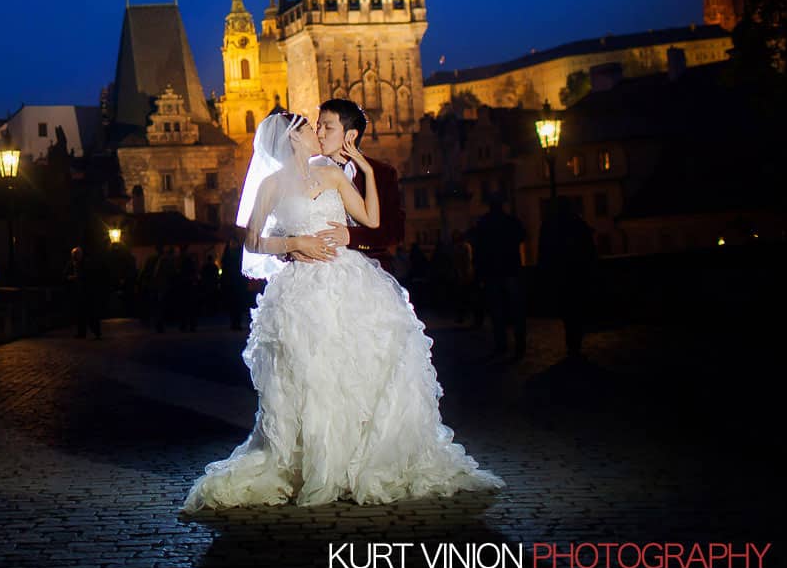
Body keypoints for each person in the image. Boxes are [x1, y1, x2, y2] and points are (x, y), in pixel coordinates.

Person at [181, 112, 502, 511]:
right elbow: (252, 242)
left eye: (319, 128)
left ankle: (360, 459)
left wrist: (364, 168)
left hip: (348, 281)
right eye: (308, 130)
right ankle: (317, 461)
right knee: (313, 376)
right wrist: (293, 242)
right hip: (302, 288)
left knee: (357, 370)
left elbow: (370, 218)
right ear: (292, 139)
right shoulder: (271, 185)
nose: (317, 134)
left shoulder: (332, 174)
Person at [313, 99, 406, 265]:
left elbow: (394, 232)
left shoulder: (382, 173)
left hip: (370, 271)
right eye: (318, 126)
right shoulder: (308, 170)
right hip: (319, 269)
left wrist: (351, 236)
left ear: (351, 135)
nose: (319, 134)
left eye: (328, 127)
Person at [538, 197, 597, 357]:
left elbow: (543, 251)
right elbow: (590, 250)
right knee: (577, 307)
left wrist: (544, 270)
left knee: (567, 308)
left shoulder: (550, 225)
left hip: (561, 273)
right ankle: (575, 342)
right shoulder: (578, 223)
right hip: (576, 272)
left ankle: (572, 341)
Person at [470, 193, 528, 360]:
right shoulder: (511, 222)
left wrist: (479, 271)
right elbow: (521, 236)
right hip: (511, 270)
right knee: (516, 310)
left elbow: (478, 249)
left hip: (492, 272)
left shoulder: (484, 223)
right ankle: (519, 344)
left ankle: (501, 344)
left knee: (497, 311)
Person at [64, 247, 101, 339]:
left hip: (86, 291)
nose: (75, 256)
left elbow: (90, 275)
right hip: (76, 291)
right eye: (74, 255)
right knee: (79, 314)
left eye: (77, 254)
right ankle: (81, 333)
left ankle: (96, 332)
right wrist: (70, 277)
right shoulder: (71, 264)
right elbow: (65, 275)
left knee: (90, 313)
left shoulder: (86, 263)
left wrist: (80, 277)